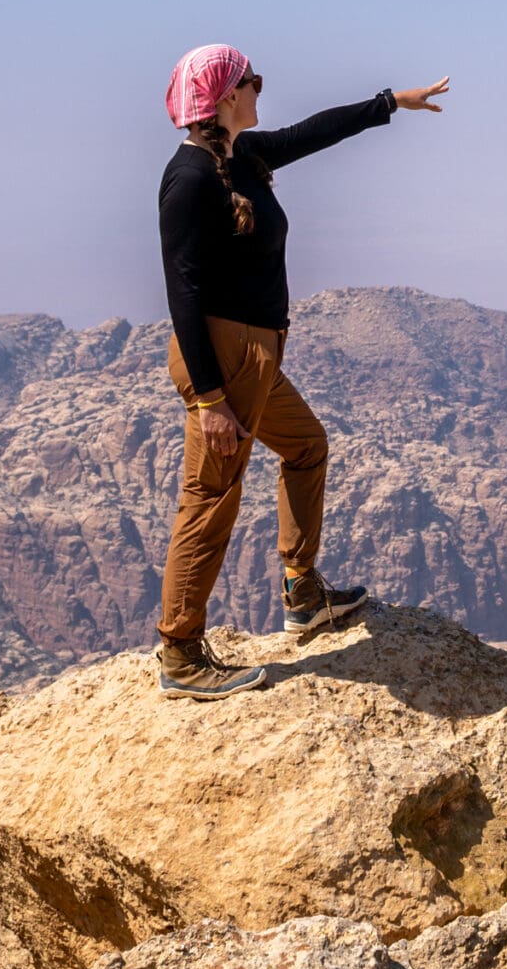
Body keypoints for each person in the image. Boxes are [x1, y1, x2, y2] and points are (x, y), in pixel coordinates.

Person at [154, 42, 450, 699]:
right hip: (224, 360)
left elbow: (310, 132)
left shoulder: (240, 156)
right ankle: (179, 653)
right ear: (226, 95)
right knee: (211, 496)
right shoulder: (191, 177)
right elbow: (182, 292)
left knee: (307, 445)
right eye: (251, 79)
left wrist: (387, 103)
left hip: (255, 356)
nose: (261, 86)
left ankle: (302, 590)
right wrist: (209, 399)